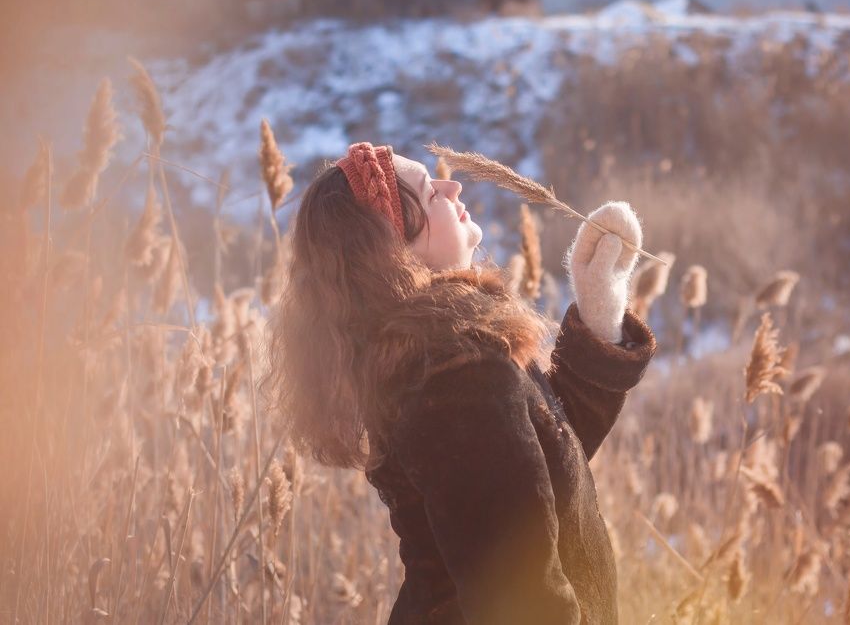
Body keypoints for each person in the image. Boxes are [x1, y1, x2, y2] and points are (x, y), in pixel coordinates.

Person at [263, 141, 657, 623]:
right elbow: (521, 600)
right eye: (431, 193)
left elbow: (547, 461)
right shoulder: (453, 377)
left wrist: (600, 309)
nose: (452, 187)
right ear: (395, 250)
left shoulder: (442, 356)